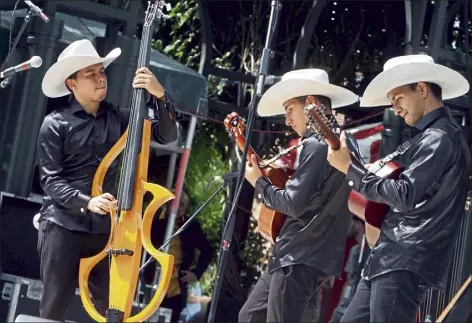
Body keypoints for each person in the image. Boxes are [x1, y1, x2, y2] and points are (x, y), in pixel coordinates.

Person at [36, 39, 178, 321]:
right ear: (72, 83)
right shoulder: (55, 123)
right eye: (90, 73)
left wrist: (160, 96)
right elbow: (50, 181)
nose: (100, 77)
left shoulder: (120, 118)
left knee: (114, 308)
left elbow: (167, 135)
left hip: (108, 229)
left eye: (101, 71)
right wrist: (87, 202)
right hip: (63, 226)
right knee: (53, 309)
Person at [327, 54, 471, 322]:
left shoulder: (439, 138)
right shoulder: (435, 137)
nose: (395, 108)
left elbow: (404, 194)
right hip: (391, 257)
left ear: (422, 88)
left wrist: (351, 169)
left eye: (398, 98)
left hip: (404, 258)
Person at [239, 68, 359, 322]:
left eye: (289, 109)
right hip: (308, 255)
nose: (287, 120)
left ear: (311, 104)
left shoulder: (317, 144)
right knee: (250, 316)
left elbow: (292, 203)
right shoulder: (347, 141)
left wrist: (258, 182)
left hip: (299, 254)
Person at [143, 189, 214, 322]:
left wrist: (196, 273)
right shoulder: (154, 221)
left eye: (182, 205)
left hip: (175, 287)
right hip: (150, 281)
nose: (179, 208)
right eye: (176, 203)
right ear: (168, 203)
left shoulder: (191, 226)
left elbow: (208, 251)